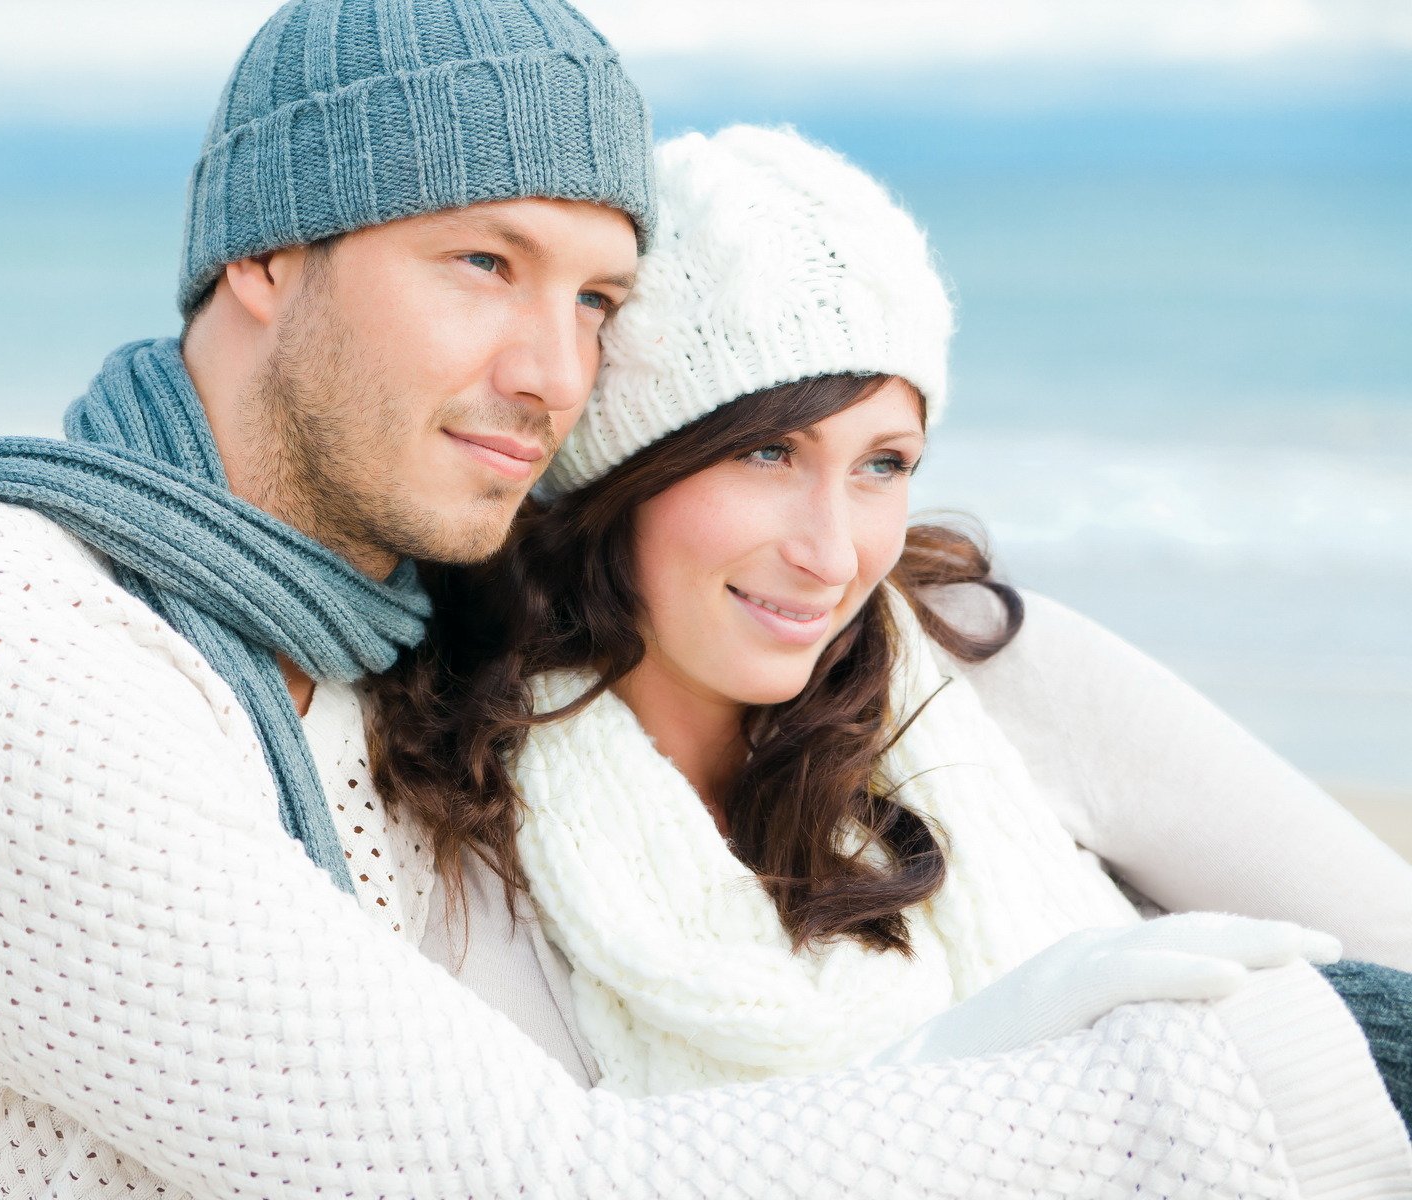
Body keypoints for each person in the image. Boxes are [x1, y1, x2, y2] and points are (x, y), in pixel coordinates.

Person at [0, 4, 1407, 1198]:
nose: (547, 368)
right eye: (482, 263)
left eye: (597, 299)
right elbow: (526, 1177)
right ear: (267, 255)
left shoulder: (369, 652)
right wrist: (1270, 1075)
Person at [370, 121, 1412, 1141]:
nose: (831, 555)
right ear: (617, 474)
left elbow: (1393, 974)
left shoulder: (998, 671)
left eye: (883, 464)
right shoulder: (454, 816)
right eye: (768, 455)